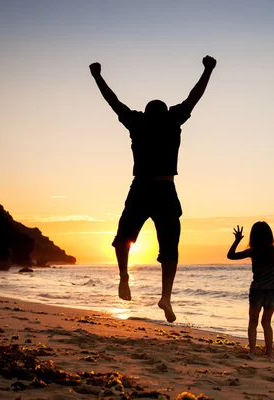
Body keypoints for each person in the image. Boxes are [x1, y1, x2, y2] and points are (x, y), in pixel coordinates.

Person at [89, 55, 217, 323]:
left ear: (146, 112)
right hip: (165, 189)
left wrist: (97, 77)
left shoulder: (137, 122)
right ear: (165, 111)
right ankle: (165, 296)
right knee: (169, 248)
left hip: (141, 188)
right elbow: (195, 96)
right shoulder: (172, 120)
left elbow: (113, 101)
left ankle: (125, 277)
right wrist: (207, 70)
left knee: (124, 237)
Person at [227, 219, 274, 359]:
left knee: (253, 321)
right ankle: (269, 353)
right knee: (266, 322)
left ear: (253, 236)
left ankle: (252, 352)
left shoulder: (253, 251)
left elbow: (231, 255)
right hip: (272, 291)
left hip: (257, 291)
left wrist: (237, 240)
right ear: (269, 235)